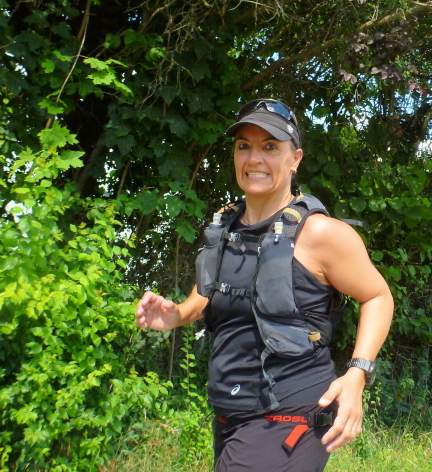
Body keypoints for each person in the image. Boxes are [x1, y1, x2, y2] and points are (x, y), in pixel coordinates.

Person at [135, 99, 394, 471]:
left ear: (295, 159)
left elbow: (378, 296)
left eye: (270, 147)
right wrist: (176, 315)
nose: (254, 158)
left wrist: (357, 375)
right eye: (244, 146)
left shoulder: (320, 233)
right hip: (230, 414)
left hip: (290, 413)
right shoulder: (225, 224)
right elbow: (206, 295)